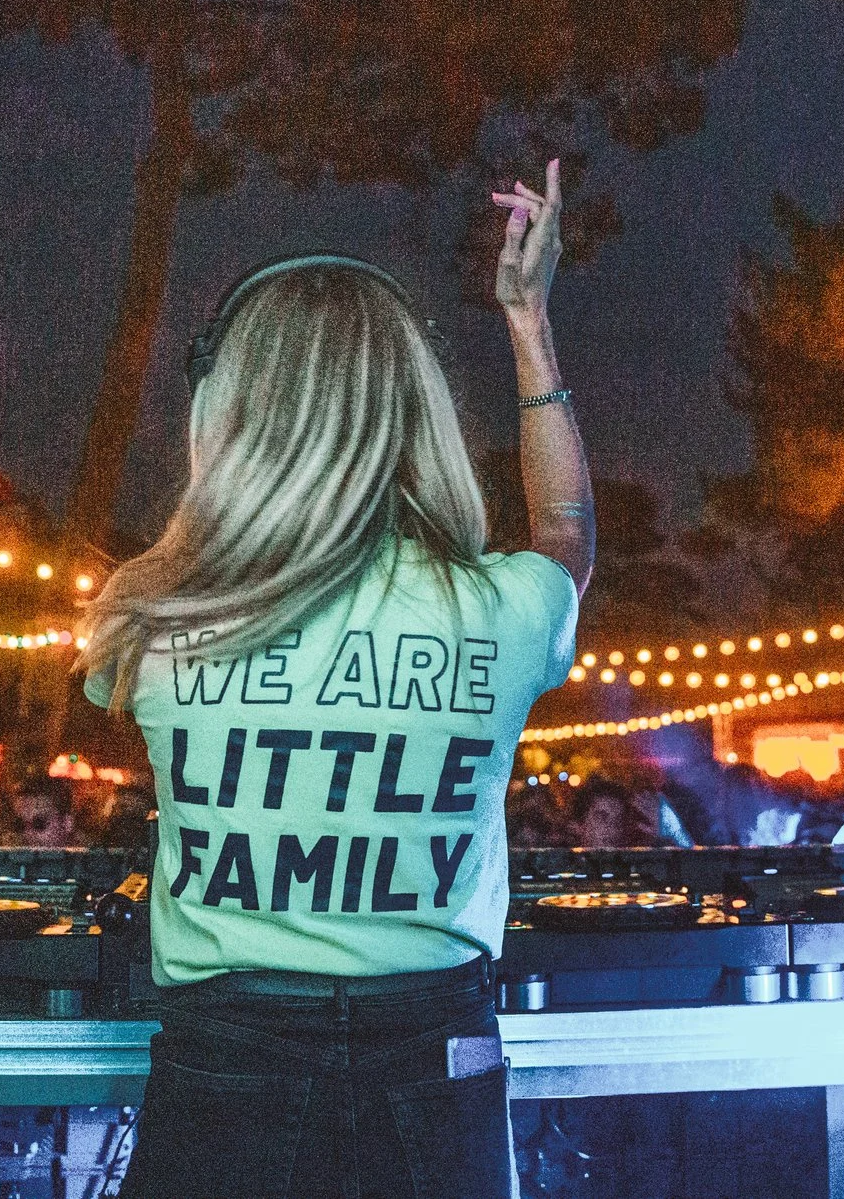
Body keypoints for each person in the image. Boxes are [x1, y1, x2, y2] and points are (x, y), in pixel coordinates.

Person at [81, 161, 592, 1199]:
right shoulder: (501, 607)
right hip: (436, 1059)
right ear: (416, 408)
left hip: (222, 1059)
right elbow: (567, 534)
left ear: (226, 406)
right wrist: (529, 322)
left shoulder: (146, 608)